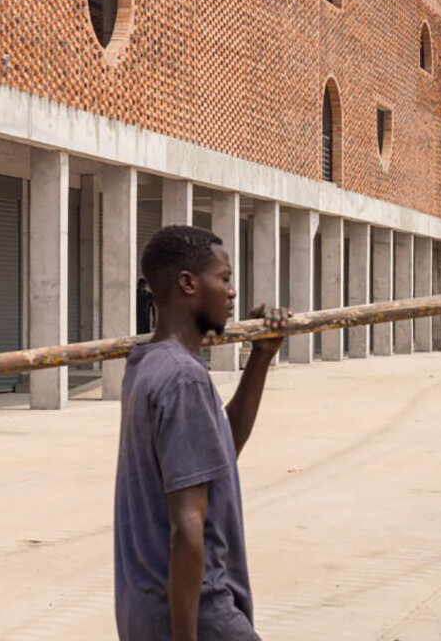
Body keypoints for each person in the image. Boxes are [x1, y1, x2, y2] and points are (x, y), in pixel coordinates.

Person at [114, 224, 291, 641]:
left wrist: (261, 357)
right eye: (224, 278)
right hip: (199, 616)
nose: (232, 293)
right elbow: (187, 524)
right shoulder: (183, 379)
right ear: (189, 283)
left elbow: (221, 448)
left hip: (148, 610)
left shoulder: (147, 363)